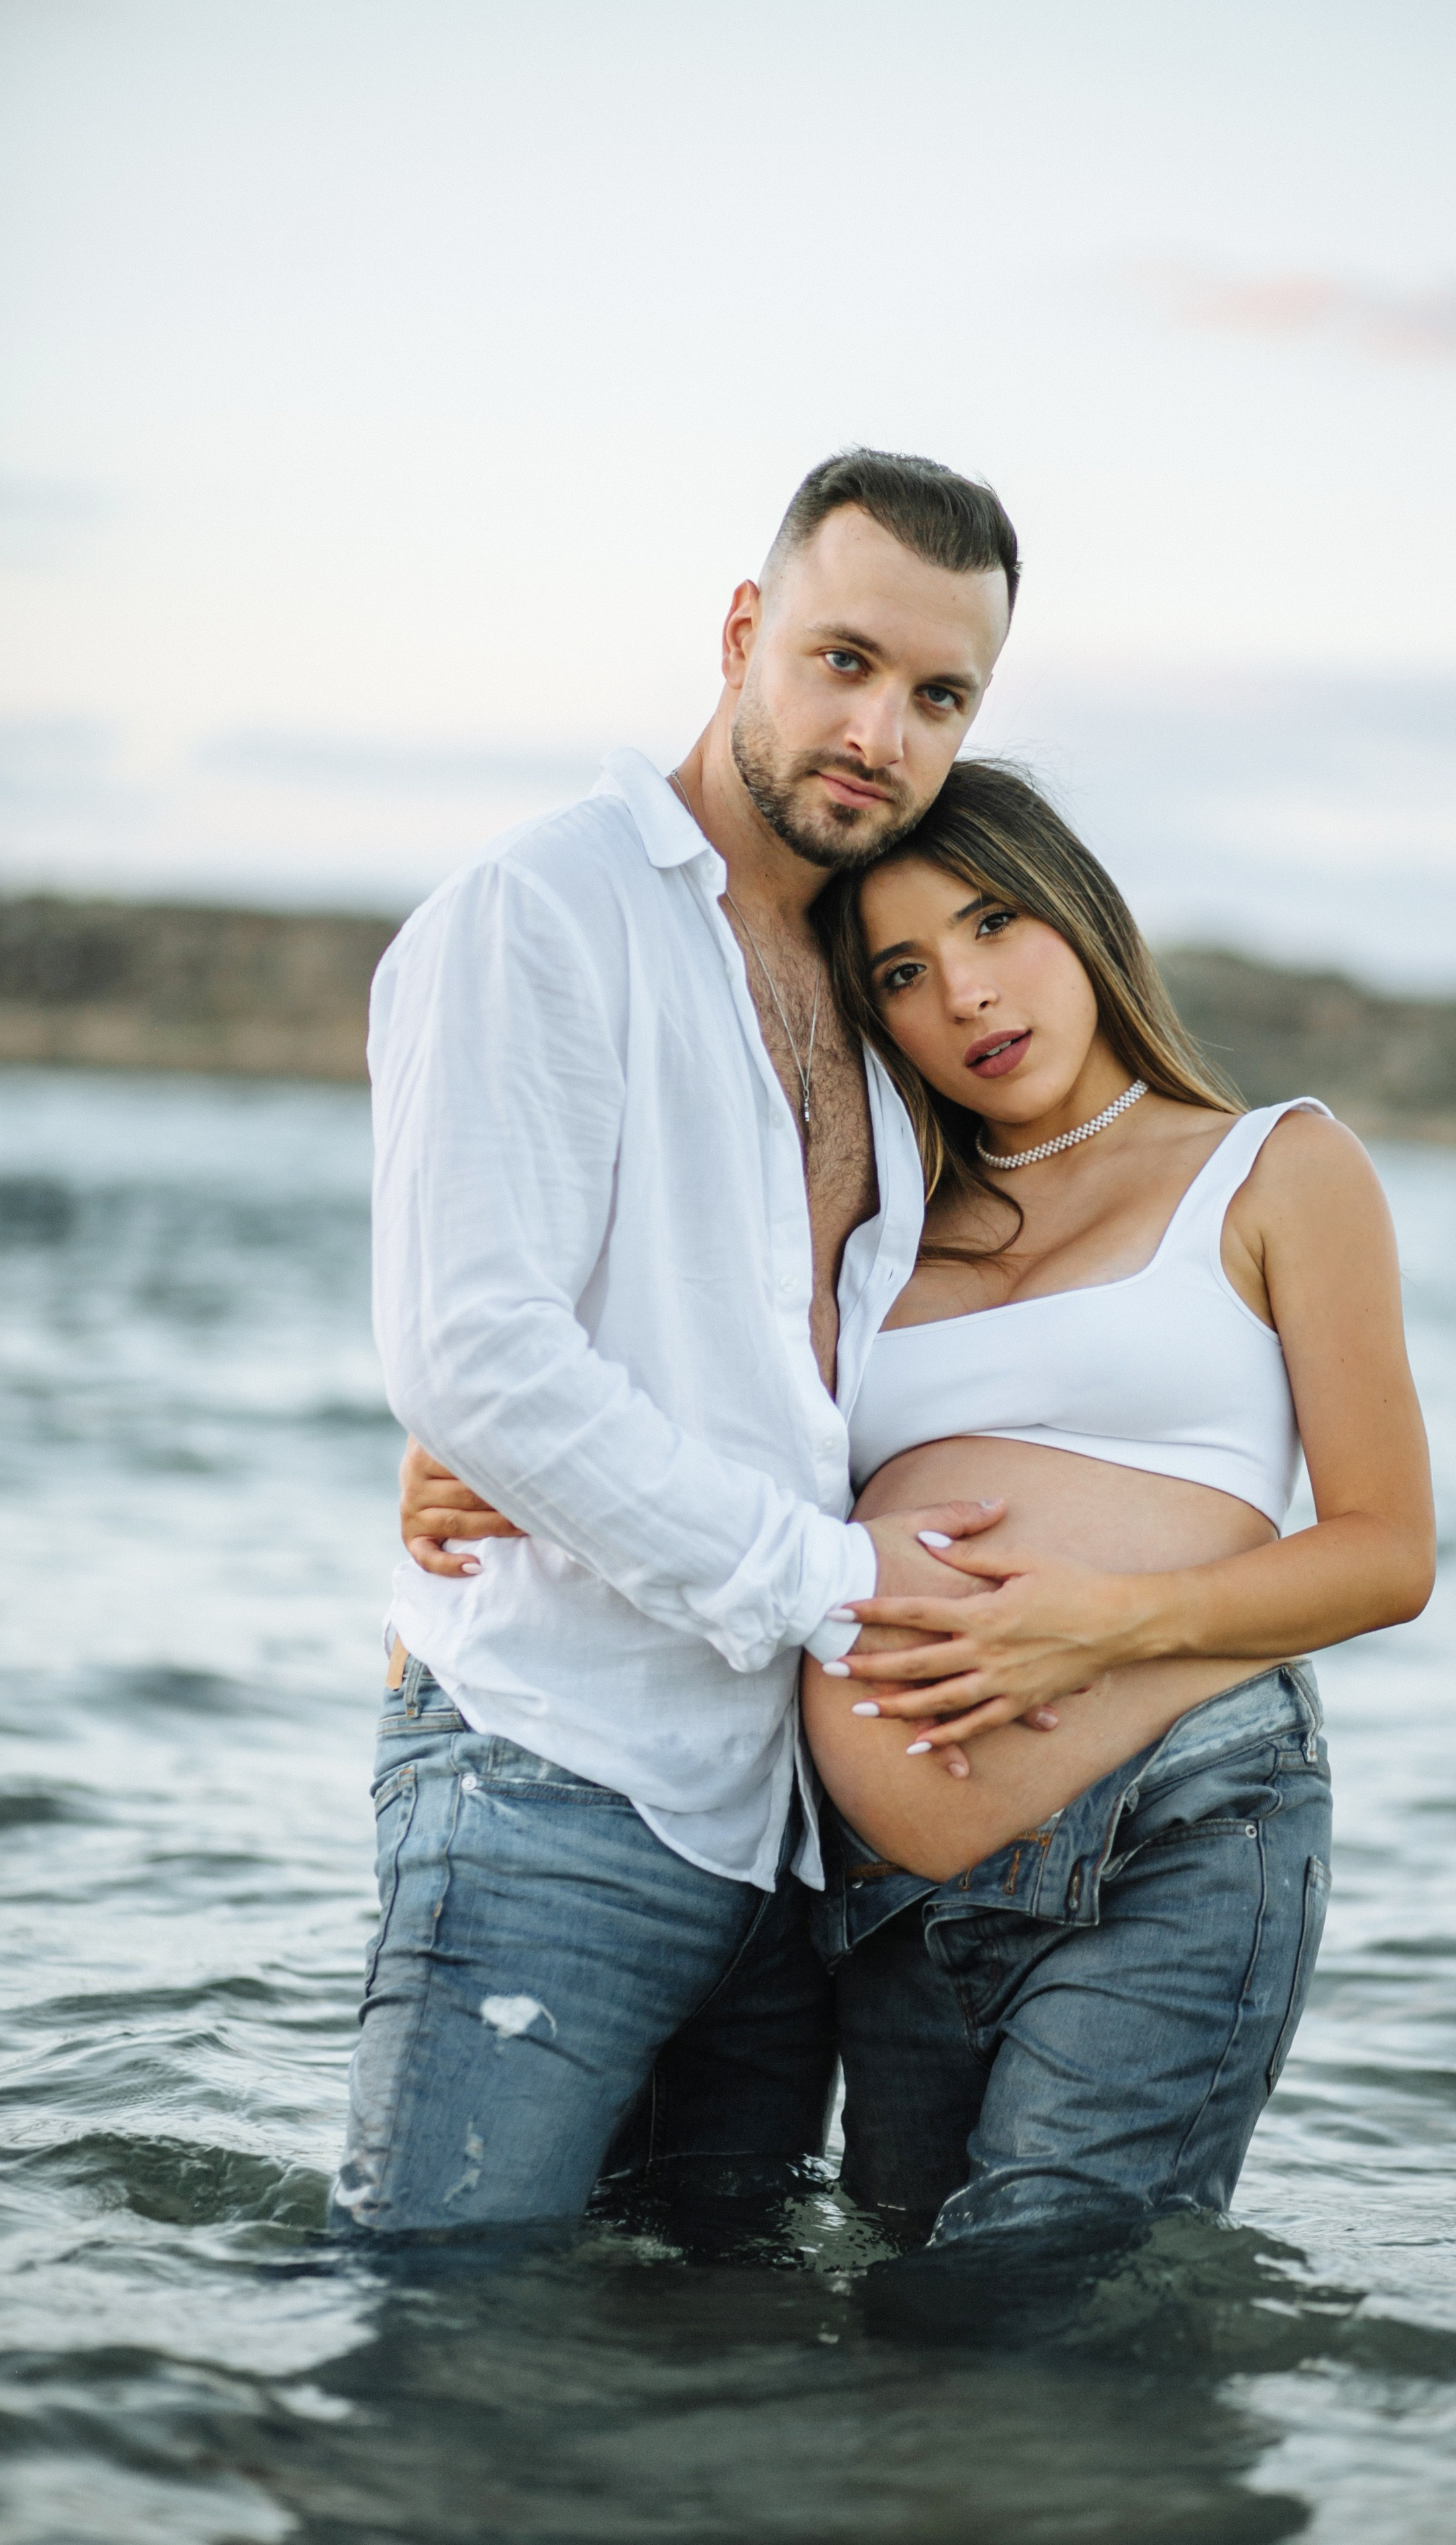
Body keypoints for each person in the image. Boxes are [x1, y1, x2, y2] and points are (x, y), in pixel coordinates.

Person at [407, 758, 1437, 2251]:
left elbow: (1385, 1555)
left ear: (1080, 920)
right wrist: (488, 1443)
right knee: (906, 2324)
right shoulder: (872, 1222)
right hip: (882, 1887)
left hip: (1179, 1818)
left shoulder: (1275, 1167)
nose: (963, 993)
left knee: (1030, 2296)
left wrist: (1097, 1629)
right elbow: (667, 1392)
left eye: (996, 924)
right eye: (901, 970)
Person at [337, 449, 1029, 2236]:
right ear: (742, 633)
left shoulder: (886, 1006)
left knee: (701, 2383)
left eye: (939, 695)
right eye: (844, 660)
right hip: (552, 1779)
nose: (881, 729)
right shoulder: (542, 915)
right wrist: (830, 1583)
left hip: (789, 1836)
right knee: (438, 2351)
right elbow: (474, 1350)